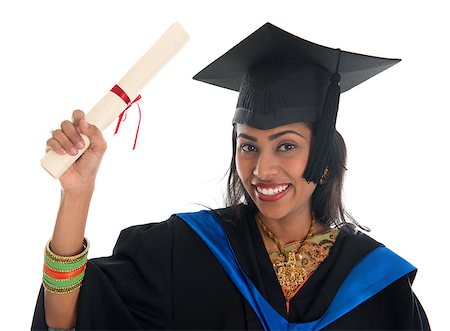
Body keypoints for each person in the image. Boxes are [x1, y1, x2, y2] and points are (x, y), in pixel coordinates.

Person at [32, 23, 430, 330]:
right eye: (248, 145)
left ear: (324, 155)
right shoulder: (187, 250)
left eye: (286, 145)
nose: (262, 169)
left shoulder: (378, 287)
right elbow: (64, 320)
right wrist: (77, 191)